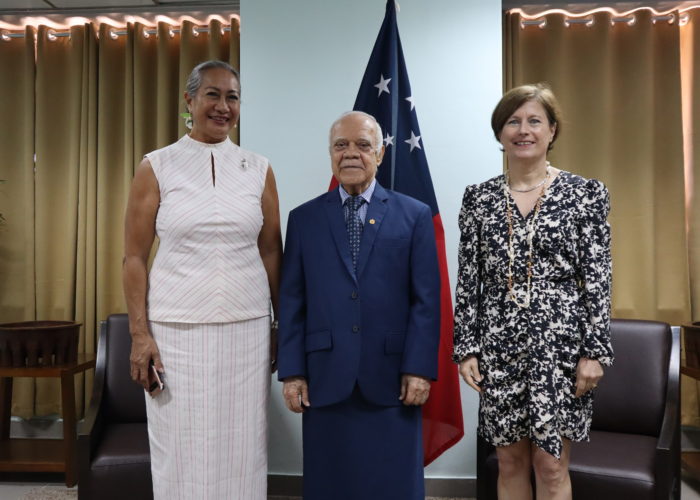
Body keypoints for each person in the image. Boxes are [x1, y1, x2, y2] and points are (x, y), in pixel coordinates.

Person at [122, 60, 282, 500]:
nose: (223, 106)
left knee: (243, 443)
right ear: (189, 101)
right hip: (174, 330)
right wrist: (140, 334)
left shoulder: (259, 168)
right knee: (179, 442)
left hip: (246, 327)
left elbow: (271, 251)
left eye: (232, 97)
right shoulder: (157, 166)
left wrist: (282, 324)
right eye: (212, 94)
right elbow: (134, 257)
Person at [453, 83, 613, 500]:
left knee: (551, 465)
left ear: (552, 131)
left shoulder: (584, 194)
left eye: (534, 121)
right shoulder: (479, 200)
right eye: (513, 121)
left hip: (559, 349)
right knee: (509, 461)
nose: (523, 130)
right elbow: (470, 280)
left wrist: (594, 352)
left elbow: (598, 278)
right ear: (500, 133)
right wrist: (466, 347)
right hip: (499, 347)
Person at [277, 111, 441, 500]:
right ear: (330, 154)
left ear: (380, 154)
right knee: (330, 484)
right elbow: (292, 299)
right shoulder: (303, 219)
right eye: (341, 145)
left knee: (392, 485)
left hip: (391, 378)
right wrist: (293, 373)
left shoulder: (414, 215)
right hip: (325, 376)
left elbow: (426, 300)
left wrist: (418, 369)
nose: (351, 154)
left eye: (363, 145)